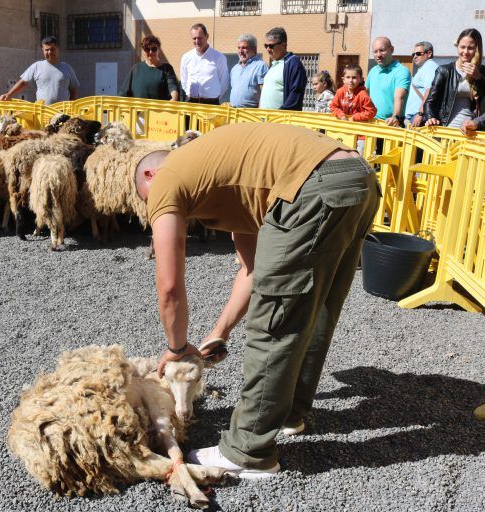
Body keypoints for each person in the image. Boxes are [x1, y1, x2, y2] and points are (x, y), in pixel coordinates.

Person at [136, 122, 379, 479]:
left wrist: (176, 346)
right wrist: (220, 332)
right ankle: (287, 415)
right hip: (356, 178)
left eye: (148, 201)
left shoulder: (167, 177)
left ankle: (249, 452)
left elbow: (169, 284)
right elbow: (253, 270)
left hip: (314, 184)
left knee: (274, 320)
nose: (155, 209)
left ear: (150, 173)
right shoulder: (226, 170)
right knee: (315, 306)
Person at [424, 29, 485, 129]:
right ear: (457, 46)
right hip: (447, 127)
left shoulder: (480, 70)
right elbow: (430, 101)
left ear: (477, 49)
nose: (465, 52)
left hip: (470, 130)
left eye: (470, 48)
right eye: (462, 47)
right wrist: (431, 117)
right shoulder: (444, 70)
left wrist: (478, 78)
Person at [0, 36, 79, 104]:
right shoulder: (37, 66)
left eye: (52, 49)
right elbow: (23, 82)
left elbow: (73, 89)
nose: (50, 52)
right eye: (46, 50)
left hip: (62, 113)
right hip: (42, 112)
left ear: (58, 48)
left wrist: (71, 107)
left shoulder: (67, 68)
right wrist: (9, 94)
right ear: (42, 50)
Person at [365, 37, 411, 127]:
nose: (378, 55)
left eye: (382, 50)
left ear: (392, 49)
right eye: (375, 51)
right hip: (371, 122)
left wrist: (395, 116)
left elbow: (400, 97)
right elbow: (364, 93)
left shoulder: (401, 71)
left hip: (391, 124)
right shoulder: (373, 70)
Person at [259, 27, 307, 111]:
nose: (268, 49)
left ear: (284, 45)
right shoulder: (275, 64)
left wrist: (281, 113)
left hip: (281, 120)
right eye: (266, 46)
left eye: (271, 46)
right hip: (265, 118)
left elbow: (296, 93)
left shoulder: (293, 63)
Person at [180, 23, 229, 104]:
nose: (197, 41)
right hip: (191, 103)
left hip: (211, 104)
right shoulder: (186, 57)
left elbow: (224, 83)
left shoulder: (219, 57)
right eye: (194, 38)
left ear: (207, 36)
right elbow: (184, 81)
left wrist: (214, 98)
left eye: (200, 38)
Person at [119, 35, 179, 101]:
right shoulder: (136, 69)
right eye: (147, 49)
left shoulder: (167, 68)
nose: (150, 52)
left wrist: (174, 97)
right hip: (139, 110)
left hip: (158, 110)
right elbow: (124, 92)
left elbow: (172, 86)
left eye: (154, 49)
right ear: (143, 51)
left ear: (158, 50)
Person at [404, 41, 438, 128]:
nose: (415, 56)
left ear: (429, 53)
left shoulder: (430, 66)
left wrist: (420, 113)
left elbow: (430, 90)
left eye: (418, 53)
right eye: (413, 54)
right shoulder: (424, 68)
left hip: (420, 117)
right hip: (416, 116)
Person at [229, 34, 267, 108]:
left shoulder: (260, 66)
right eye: (239, 48)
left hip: (251, 115)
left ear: (254, 50)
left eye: (244, 48)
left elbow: (264, 93)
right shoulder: (235, 69)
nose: (240, 51)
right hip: (233, 113)